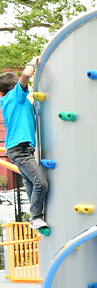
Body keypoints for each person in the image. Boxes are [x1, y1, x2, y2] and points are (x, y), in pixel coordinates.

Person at [0, 56, 49, 234]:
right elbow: (26, 75)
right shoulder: (15, 97)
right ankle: (36, 217)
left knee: (30, 183)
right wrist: (33, 61)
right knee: (41, 183)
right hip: (19, 149)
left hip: (21, 148)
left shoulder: (10, 101)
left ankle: (36, 218)